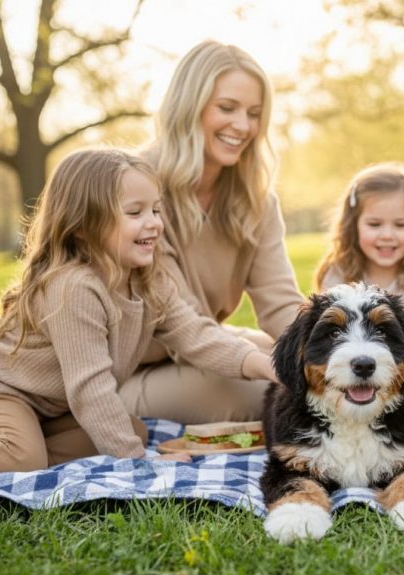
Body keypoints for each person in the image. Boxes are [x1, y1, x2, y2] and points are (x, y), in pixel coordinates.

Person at [0, 149, 279, 472]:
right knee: (23, 457)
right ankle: (15, 454)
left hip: (51, 409)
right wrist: (138, 462)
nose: (154, 223)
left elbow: (198, 335)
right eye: (135, 213)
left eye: (156, 210)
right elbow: (90, 389)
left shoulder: (148, 280)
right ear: (83, 225)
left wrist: (264, 364)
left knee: (131, 431)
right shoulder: (74, 287)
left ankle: (25, 453)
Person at [118, 41, 305, 424]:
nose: (243, 126)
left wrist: (331, 352)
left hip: (202, 349)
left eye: (254, 114)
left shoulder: (255, 200)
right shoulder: (135, 188)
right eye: (227, 108)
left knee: (306, 361)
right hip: (125, 370)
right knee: (269, 389)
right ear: (189, 106)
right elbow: (182, 325)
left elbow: (281, 303)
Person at [315, 163, 404, 363]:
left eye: (400, 225)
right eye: (374, 224)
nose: (387, 235)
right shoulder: (338, 273)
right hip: (353, 367)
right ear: (353, 226)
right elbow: (325, 331)